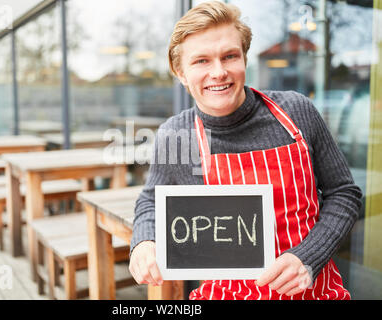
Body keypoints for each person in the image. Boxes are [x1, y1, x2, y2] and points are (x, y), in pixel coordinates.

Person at [128, 1, 362, 300]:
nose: (219, 72)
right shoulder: (177, 134)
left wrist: (308, 257)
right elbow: (151, 200)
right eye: (201, 61)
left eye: (230, 56)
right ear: (180, 72)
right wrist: (145, 241)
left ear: (244, 59)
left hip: (313, 289)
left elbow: (344, 193)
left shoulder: (296, 111)